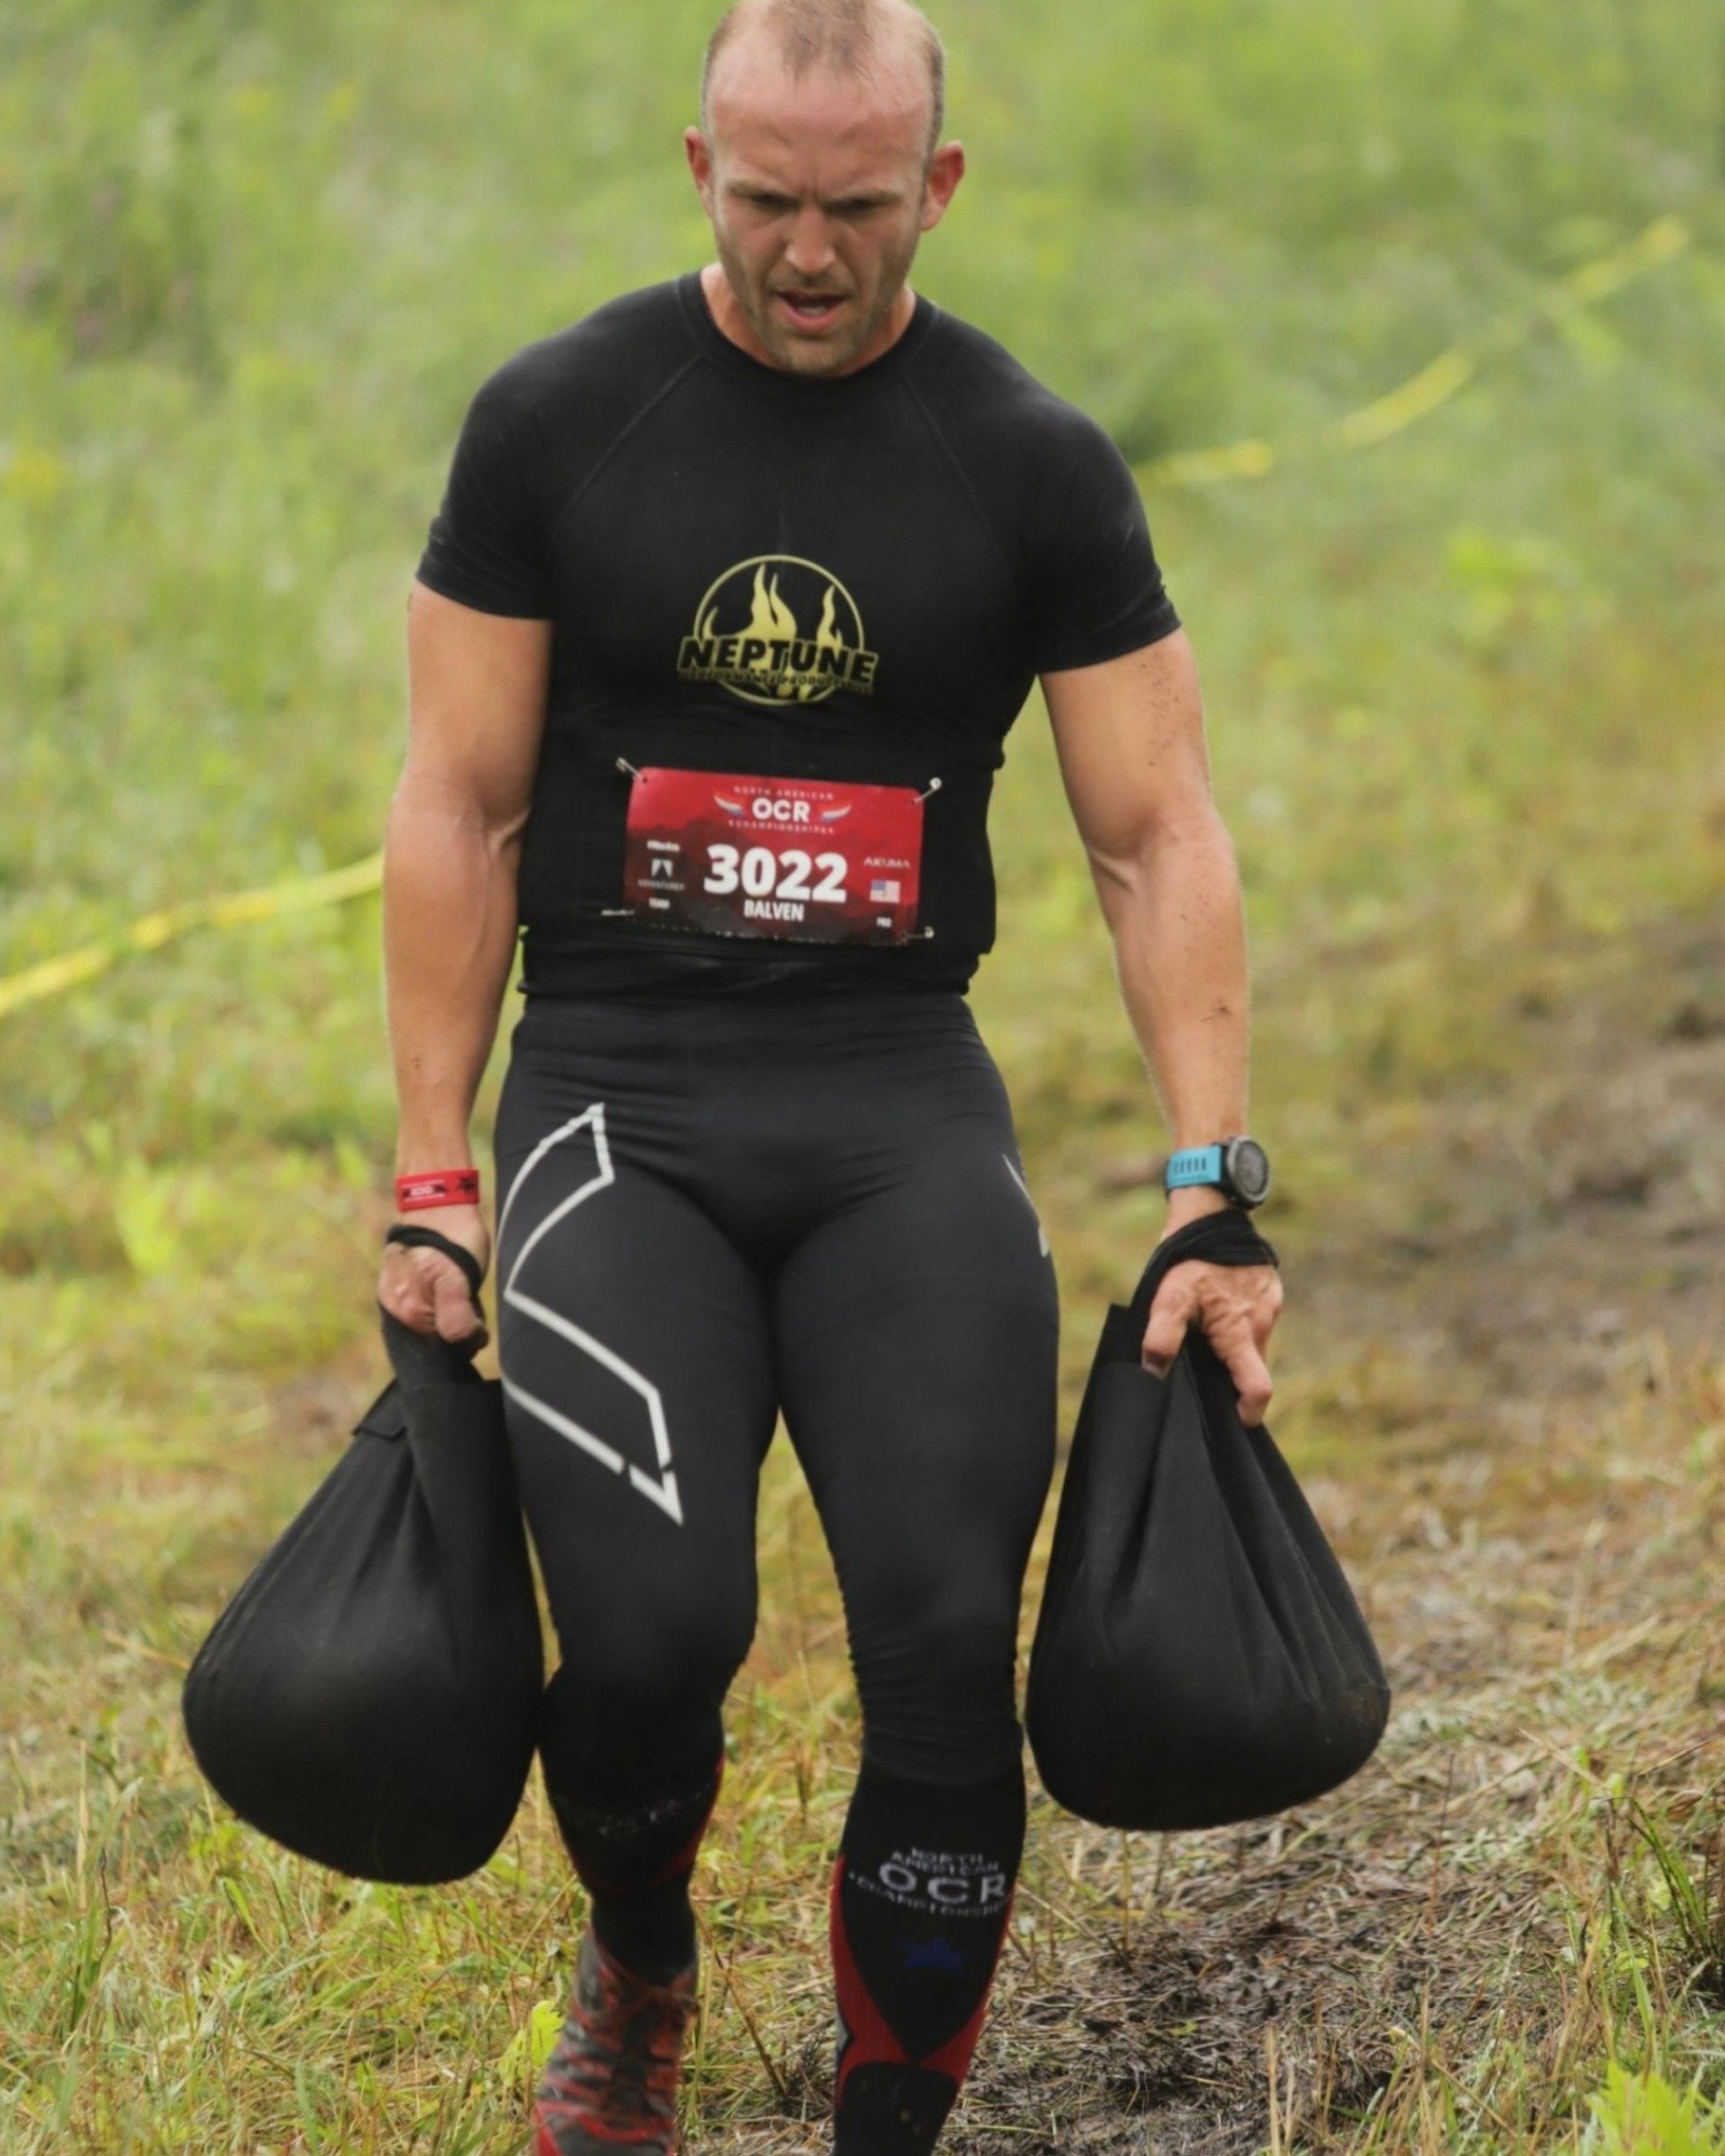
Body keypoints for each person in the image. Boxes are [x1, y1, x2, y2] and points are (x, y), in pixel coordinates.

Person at [379, 1, 1282, 2148]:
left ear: (936, 191)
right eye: (769, 199)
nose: (809, 251)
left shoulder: (1030, 459)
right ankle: (645, 1970)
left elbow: (1157, 832)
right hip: (616, 1098)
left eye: (857, 210)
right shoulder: (556, 425)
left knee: (952, 1632)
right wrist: (433, 1170)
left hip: (898, 1110)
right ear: (696, 164)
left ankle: (890, 2127)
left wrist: (1208, 1182)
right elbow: (461, 807)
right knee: (652, 1638)